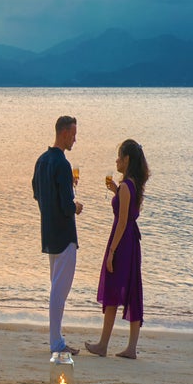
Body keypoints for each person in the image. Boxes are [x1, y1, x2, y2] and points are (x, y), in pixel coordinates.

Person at [86, 139, 150, 359]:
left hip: (122, 241)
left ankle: (103, 344)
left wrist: (111, 251)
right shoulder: (133, 185)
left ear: (127, 160)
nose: (116, 160)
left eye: (119, 156)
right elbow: (130, 213)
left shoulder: (125, 187)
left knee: (112, 289)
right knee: (132, 289)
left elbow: (122, 221)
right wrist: (116, 191)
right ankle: (131, 348)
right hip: (132, 241)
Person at [32, 115, 83, 355]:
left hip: (48, 231)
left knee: (56, 287)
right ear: (63, 133)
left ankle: (56, 339)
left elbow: (37, 192)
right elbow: (66, 205)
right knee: (59, 290)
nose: (75, 138)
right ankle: (56, 342)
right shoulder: (61, 163)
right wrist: (76, 206)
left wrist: (65, 190)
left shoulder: (42, 160)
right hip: (64, 234)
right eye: (73, 134)